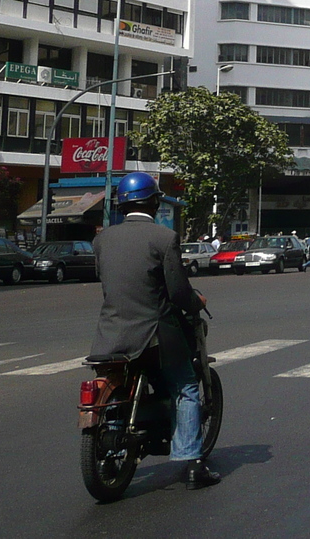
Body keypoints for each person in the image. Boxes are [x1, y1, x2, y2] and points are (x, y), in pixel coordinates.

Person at [90, 172, 219, 491]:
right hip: (154, 336)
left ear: (122, 206)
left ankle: (117, 435)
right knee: (187, 387)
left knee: (120, 382)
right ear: (154, 202)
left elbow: (109, 283)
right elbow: (177, 293)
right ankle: (192, 462)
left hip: (111, 335)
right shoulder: (164, 238)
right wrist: (196, 300)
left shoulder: (102, 239)